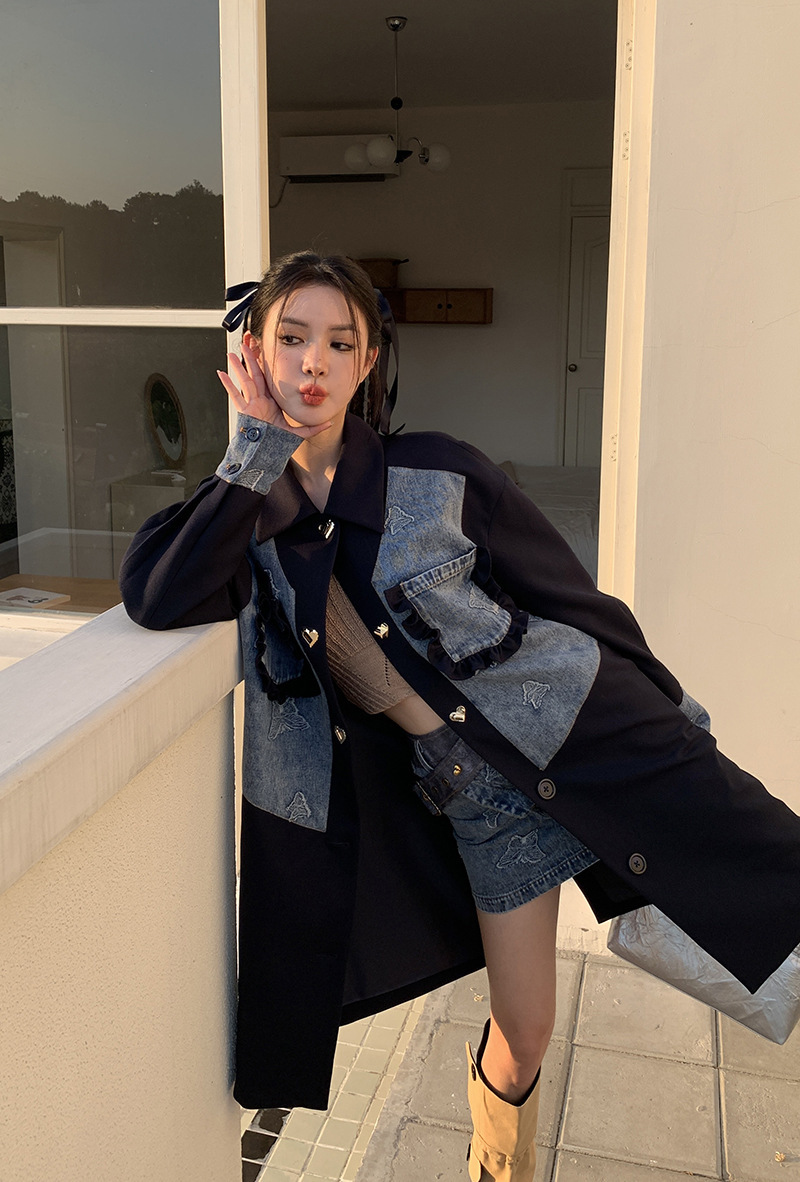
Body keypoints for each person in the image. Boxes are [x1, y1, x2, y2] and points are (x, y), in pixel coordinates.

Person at [120, 250, 800, 1182]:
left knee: (770, 883)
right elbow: (156, 594)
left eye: (340, 343)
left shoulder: (440, 473)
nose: (314, 362)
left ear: (368, 363)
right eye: (292, 338)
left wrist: (673, 713)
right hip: (479, 806)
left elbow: (574, 604)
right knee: (525, 1034)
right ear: (254, 355)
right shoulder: (246, 521)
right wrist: (253, 453)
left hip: (580, 739)